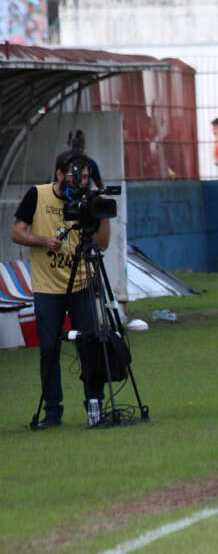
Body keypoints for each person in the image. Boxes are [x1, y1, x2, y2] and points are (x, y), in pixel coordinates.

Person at [11, 151, 111, 429]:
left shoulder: (88, 200)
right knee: (48, 349)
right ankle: (52, 412)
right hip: (47, 287)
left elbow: (102, 245)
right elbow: (17, 232)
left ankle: (95, 406)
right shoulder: (38, 195)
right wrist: (44, 240)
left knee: (90, 345)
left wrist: (103, 214)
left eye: (86, 175)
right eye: (75, 173)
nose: (80, 179)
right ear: (59, 174)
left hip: (82, 282)